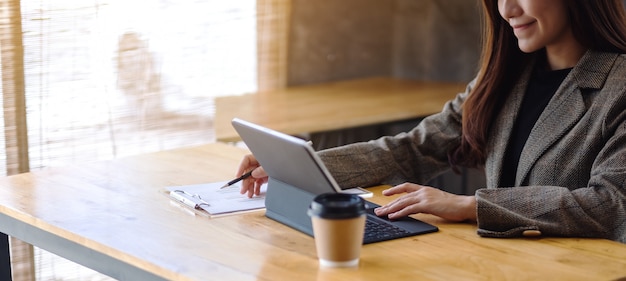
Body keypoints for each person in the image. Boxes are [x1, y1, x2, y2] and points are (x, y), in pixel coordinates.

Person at [236, 0, 626, 243]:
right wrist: (296, 163)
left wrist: (471, 205)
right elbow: (414, 148)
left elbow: (611, 205)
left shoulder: (618, 85)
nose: (507, 10)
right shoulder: (508, 78)